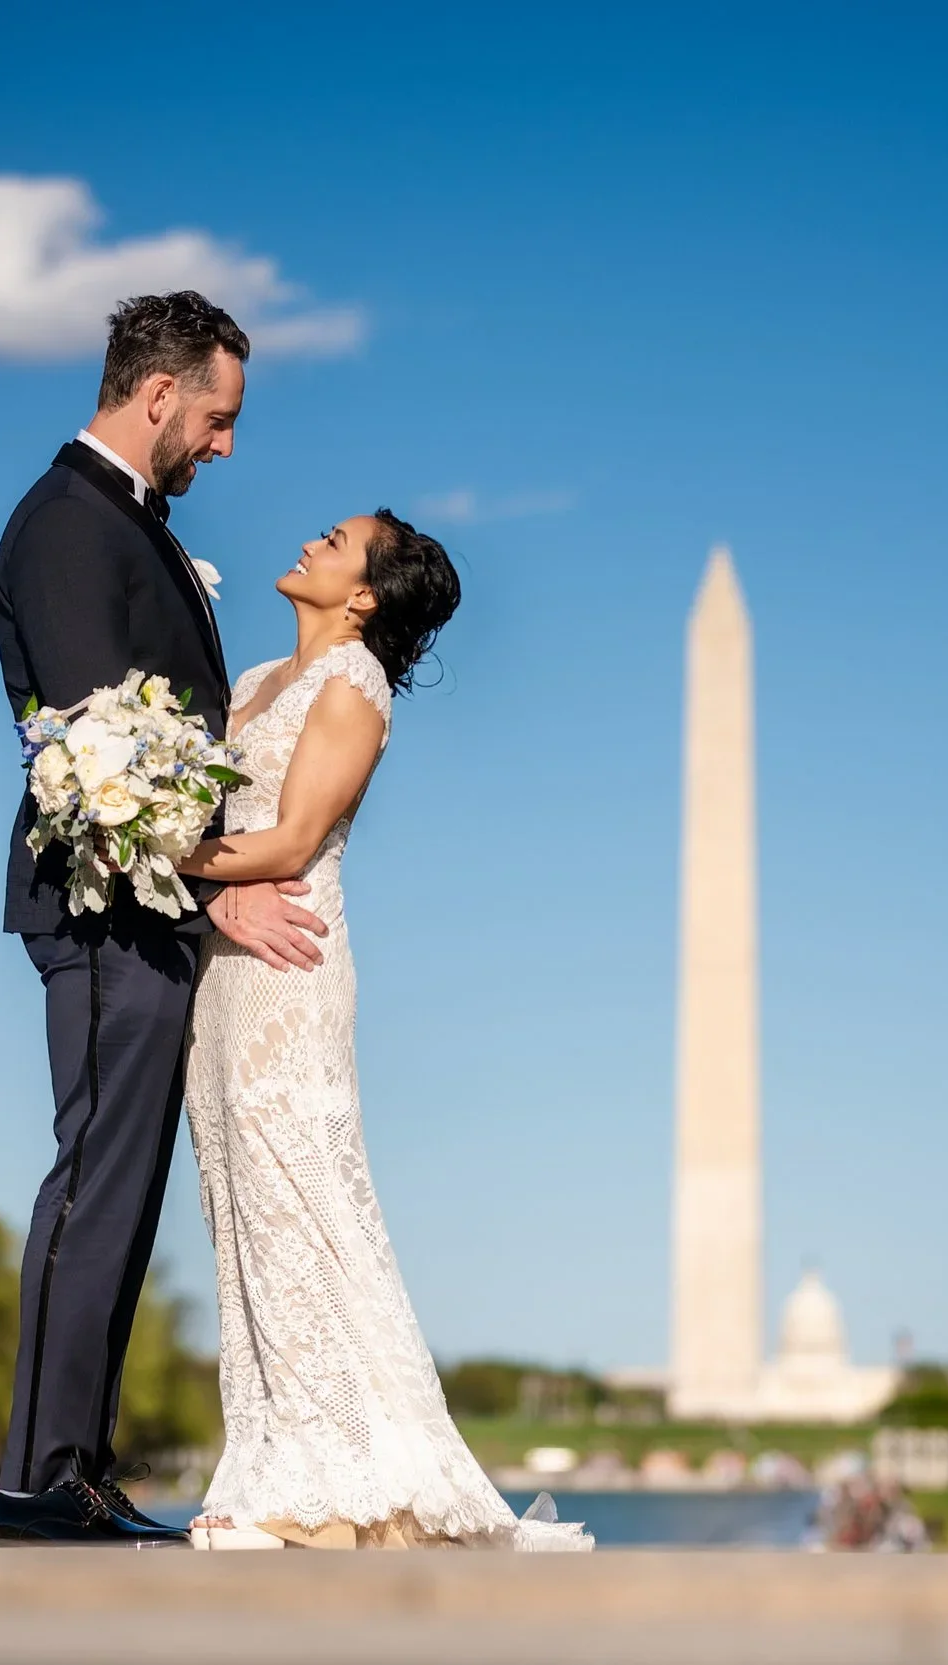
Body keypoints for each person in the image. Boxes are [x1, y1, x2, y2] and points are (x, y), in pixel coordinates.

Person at [0, 291, 326, 1547]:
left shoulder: (127, 522)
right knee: (95, 1182)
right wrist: (217, 881)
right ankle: (34, 1478)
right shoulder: (70, 526)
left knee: (122, 1192)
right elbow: (94, 747)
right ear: (160, 392)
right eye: (220, 420)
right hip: (105, 909)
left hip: (144, 911)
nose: (225, 447)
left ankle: (77, 1465)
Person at [175, 513, 587, 1551]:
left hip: (288, 973)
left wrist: (152, 850)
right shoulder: (257, 678)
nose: (311, 540)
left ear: (364, 596)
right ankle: (276, 1457)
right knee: (242, 1207)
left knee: (300, 1195)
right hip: (221, 975)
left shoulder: (352, 685)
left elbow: (294, 837)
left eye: (337, 540)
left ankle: (326, 1485)